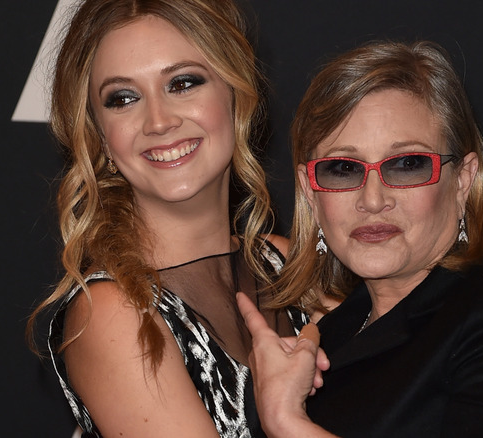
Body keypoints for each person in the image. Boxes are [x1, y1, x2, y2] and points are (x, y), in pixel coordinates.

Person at [239, 41, 483, 437]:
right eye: (343, 169)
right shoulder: (321, 344)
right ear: (311, 192)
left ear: (463, 181)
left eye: (407, 164)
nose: (372, 200)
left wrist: (287, 423)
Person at [25, 1, 309, 436]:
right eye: (123, 98)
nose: (158, 121)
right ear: (100, 136)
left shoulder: (287, 266)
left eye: (183, 83)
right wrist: (286, 421)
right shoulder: (116, 315)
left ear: (235, 95)